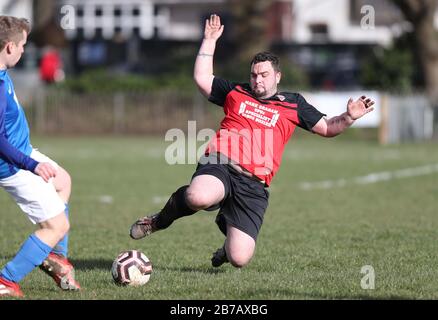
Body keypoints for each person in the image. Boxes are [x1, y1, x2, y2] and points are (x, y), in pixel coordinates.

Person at [130, 14, 375, 268]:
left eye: (264, 75)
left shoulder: (294, 104)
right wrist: (209, 40)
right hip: (221, 164)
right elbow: (203, 79)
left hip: (254, 185)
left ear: (277, 77)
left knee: (240, 258)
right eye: (254, 74)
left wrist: (348, 117)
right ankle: (158, 221)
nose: (257, 80)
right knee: (198, 196)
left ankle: (226, 245)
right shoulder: (236, 92)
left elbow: (328, 128)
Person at [0, 16, 80, 297]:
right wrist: (32, 165)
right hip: (13, 165)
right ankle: (6, 281)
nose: (24, 50)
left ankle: (56, 258)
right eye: (22, 45)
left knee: (63, 181)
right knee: (57, 225)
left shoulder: (1, 73)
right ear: (9, 47)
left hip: (23, 152)